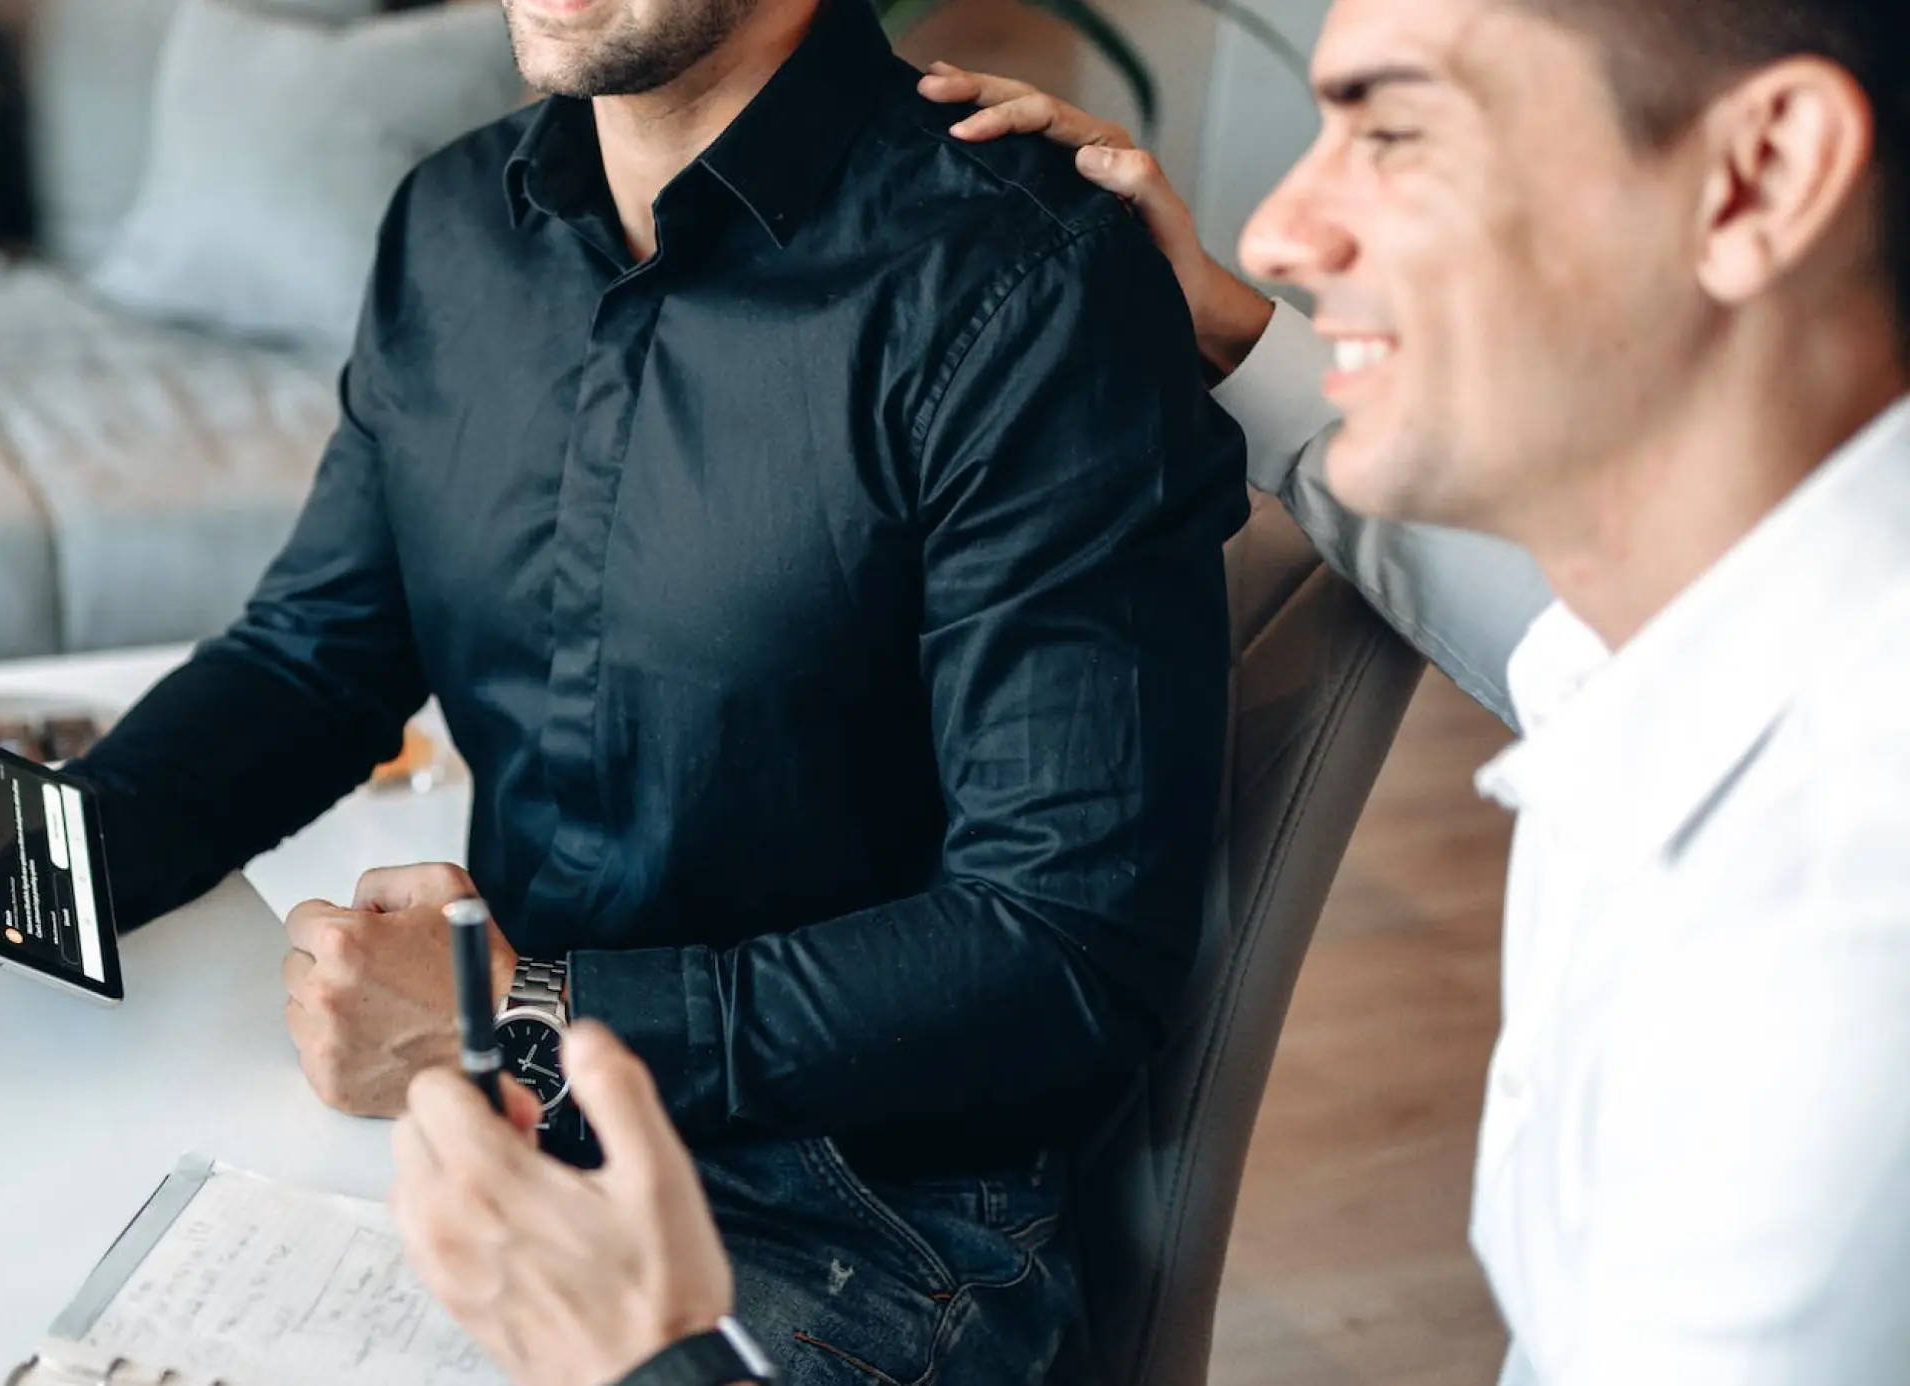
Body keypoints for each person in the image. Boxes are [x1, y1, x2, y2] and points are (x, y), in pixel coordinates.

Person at [389, 0, 1910, 1382]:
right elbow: (1529, 618)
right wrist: (1240, 337)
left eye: (1396, 130)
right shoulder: (1686, 660)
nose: (1290, 225)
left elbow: (1054, 934)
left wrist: (647, 1354)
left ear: (1758, 176)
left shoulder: (1822, 958)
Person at [0, 0, 1248, 1378]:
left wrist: (523, 1017)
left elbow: (1066, 945)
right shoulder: (448, 224)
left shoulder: (1028, 280)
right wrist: (19, 844)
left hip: (844, 1217)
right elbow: (312, 659)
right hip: (483, 1119)